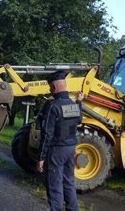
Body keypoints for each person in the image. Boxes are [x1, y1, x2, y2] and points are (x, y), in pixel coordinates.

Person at [36, 70, 84, 211]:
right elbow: (79, 119)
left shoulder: (53, 106)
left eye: (50, 87)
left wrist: (41, 157)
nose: (50, 90)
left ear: (55, 87)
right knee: (68, 182)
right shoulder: (73, 105)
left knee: (54, 185)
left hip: (57, 150)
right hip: (71, 148)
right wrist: (80, 102)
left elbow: (47, 134)